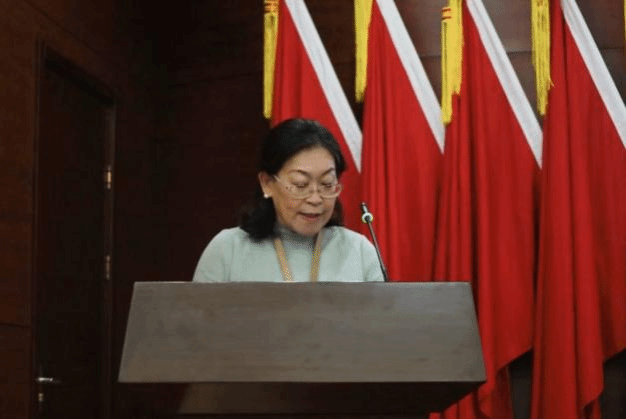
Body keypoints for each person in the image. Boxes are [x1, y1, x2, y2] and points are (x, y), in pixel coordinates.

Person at [192, 118, 384, 283]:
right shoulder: (227, 250)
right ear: (267, 183)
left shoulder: (360, 252)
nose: (315, 199)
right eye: (301, 185)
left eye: (327, 184)